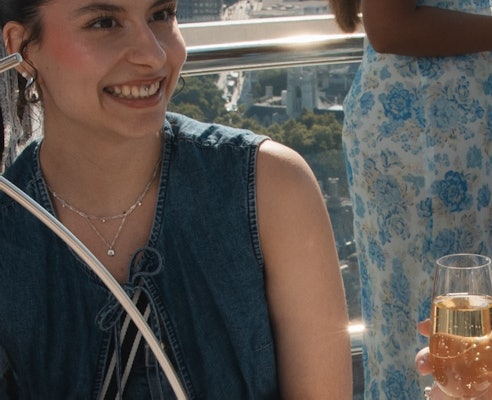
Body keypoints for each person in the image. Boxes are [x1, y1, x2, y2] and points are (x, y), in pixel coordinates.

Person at [0, 0, 352, 398]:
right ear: (21, 47)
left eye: (162, 14)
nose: (153, 55)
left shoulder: (274, 189)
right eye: (104, 23)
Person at [329, 0, 492, 398]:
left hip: (458, 138)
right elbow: (390, 29)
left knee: (478, 325)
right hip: (429, 148)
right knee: (466, 330)